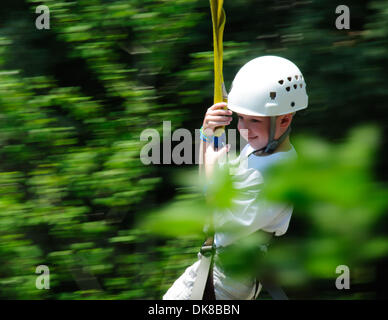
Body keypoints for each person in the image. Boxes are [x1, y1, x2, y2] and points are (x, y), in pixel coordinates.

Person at [163, 55, 308, 300]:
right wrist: (207, 136)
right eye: (241, 117)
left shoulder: (275, 173)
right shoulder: (259, 151)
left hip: (228, 279)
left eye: (254, 120)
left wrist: (213, 169)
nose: (242, 128)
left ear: (284, 119)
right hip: (216, 266)